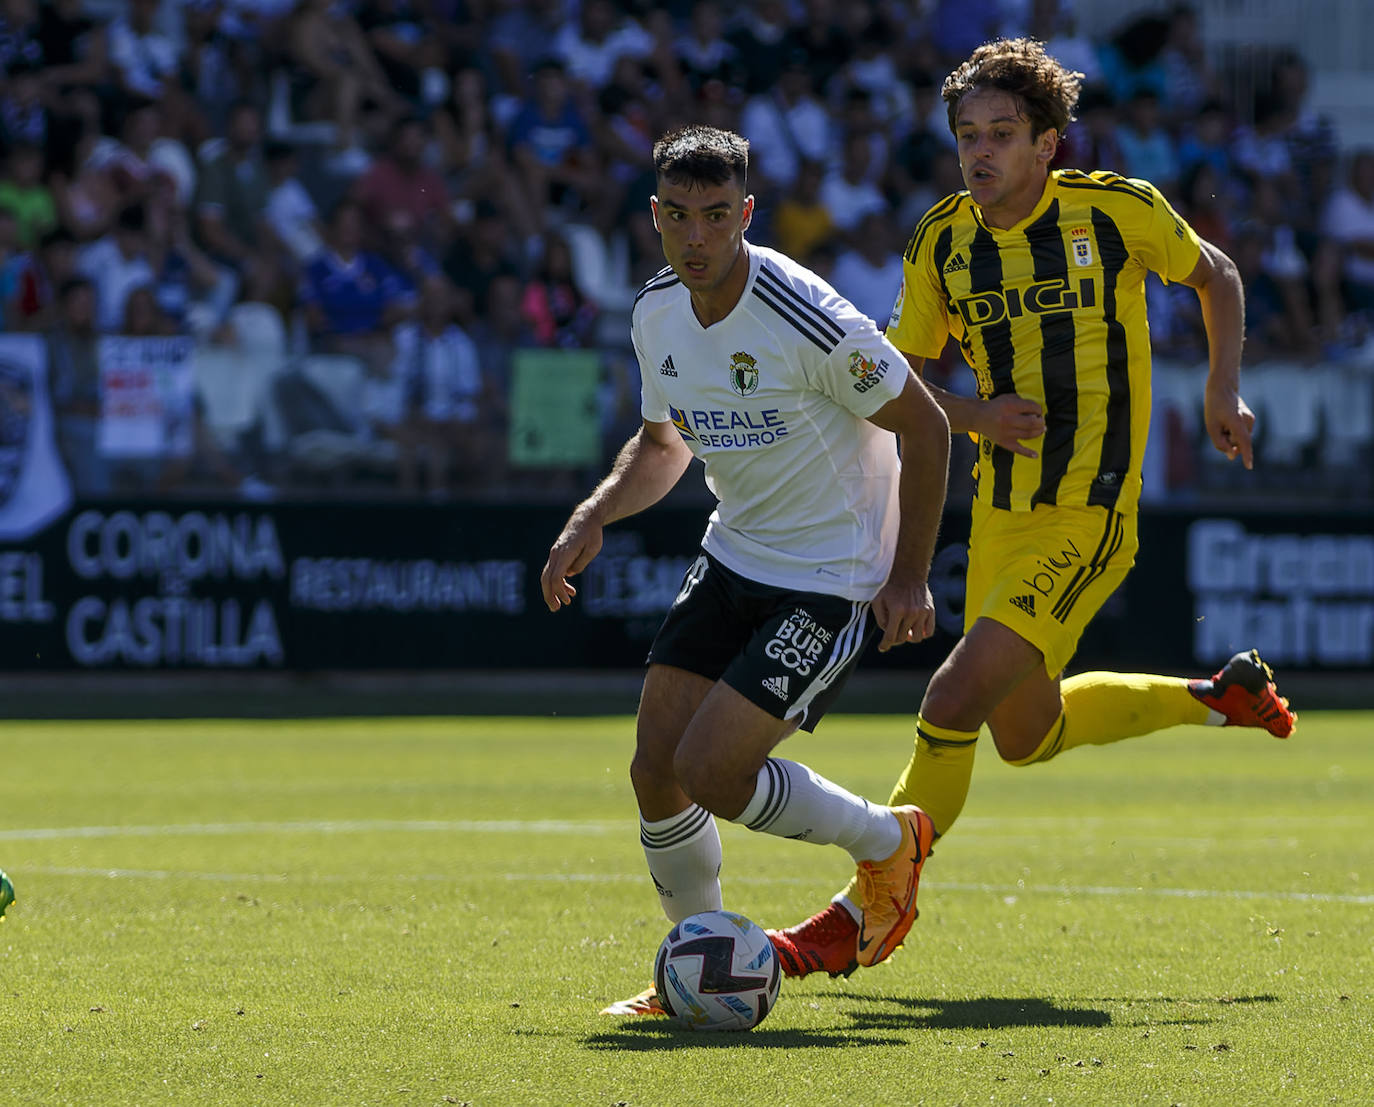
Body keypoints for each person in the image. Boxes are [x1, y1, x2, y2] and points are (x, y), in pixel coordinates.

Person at [769, 37, 1297, 981]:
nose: (981, 152)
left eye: (1003, 134)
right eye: (968, 134)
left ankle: (871, 901)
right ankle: (1220, 700)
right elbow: (904, 385)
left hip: (1089, 512)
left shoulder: (1116, 210)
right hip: (1002, 512)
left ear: (1048, 143)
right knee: (1025, 735)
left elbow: (1217, 274)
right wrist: (973, 414)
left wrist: (1223, 388)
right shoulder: (942, 240)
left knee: (952, 696)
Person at [539, 125, 951, 1016]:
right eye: (679, 217)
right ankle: (697, 961)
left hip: (831, 573)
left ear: (746, 215)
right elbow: (661, 446)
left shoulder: (806, 313)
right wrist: (591, 514)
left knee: (717, 774)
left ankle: (888, 842)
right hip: (736, 554)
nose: (697, 238)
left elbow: (928, 427)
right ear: (654, 217)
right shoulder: (655, 312)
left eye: (717, 216)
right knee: (657, 768)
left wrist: (908, 576)